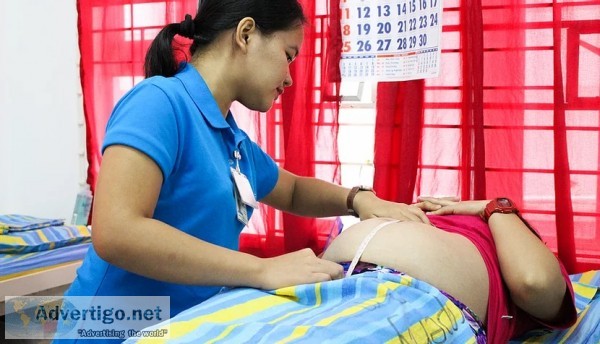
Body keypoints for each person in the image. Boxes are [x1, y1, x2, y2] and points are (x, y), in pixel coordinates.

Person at [61, 0, 431, 338]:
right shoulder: (160, 103)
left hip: (180, 327)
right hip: (110, 326)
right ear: (246, 34)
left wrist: (358, 199)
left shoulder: (229, 138)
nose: (289, 78)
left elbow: (293, 190)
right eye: (288, 55)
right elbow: (116, 231)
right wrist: (260, 269)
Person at [321, 196, 577, 344]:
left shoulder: (519, 244)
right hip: (324, 287)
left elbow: (535, 282)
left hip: (415, 303)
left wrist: (498, 207)